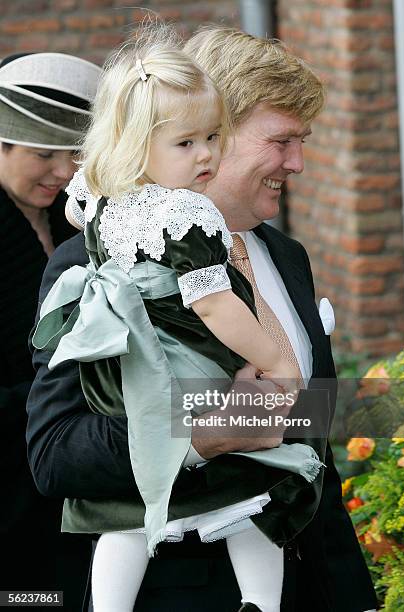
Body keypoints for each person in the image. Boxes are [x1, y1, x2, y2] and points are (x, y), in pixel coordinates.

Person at [27, 26, 378, 612]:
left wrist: (351, 592)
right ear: (217, 130)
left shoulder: (288, 257)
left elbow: (309, 438)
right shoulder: (95, 261)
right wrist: (202, 432)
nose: (297, 163)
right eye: (283, 141)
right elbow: (55, 454)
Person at [0, 51, 101, 609]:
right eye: (43, 154)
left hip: (70, 470)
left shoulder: (77, 217)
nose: (63, 172)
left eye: (75, 155)